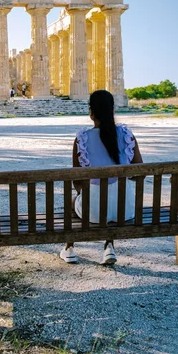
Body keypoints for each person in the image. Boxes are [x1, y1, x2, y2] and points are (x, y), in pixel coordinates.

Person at [60, 89, 143, 266]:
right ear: (112, 110)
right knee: (111, 198)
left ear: (91, 112)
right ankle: (108, 247)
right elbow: (139, 172)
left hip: (94, 213)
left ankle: (69, 248)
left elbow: (77, 179)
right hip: (125, 210)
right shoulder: (127, 135)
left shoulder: (82, 138)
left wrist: (85, 193)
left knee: (72, 200)